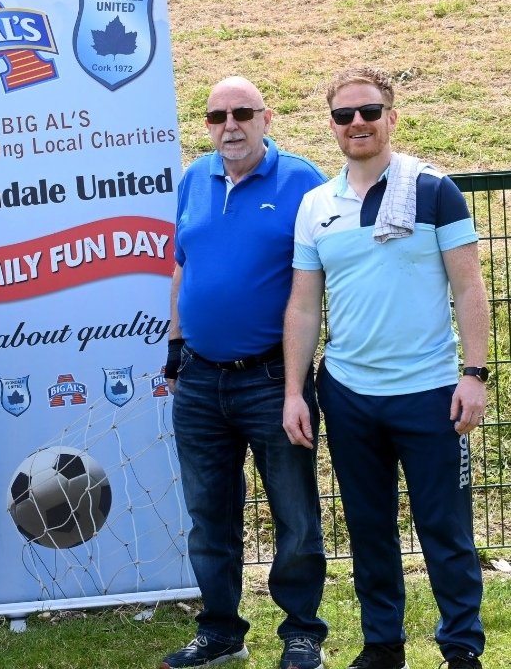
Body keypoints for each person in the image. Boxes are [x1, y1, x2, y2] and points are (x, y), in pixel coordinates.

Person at [283, 67, 488, 669]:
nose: (357, 123)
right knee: (369, 530)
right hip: (349, 395)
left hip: (430, 393)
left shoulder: (434, 189)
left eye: (369, 111)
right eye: (344, 115)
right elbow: (303, 305)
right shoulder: (316, 205)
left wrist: (473, 374)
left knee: (445, 530)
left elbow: (469, 288)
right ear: (332, 126)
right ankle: (382, 646)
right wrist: (294, 391)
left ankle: (461, 648)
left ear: (391, 117)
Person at [161, 77, 328, 669]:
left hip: (272, 381)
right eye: (216, 116)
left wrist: (297, 385)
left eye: (241, 113)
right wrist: (175, 350)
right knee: (208, 517)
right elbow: (183, 268)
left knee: (295, 515)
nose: (229, 125)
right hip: (200, 381)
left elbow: (319, 280)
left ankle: (302, 632)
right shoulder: (193, 178)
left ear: (266, 117)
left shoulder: (303, 182)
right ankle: (220, 632)